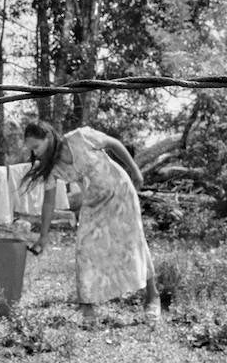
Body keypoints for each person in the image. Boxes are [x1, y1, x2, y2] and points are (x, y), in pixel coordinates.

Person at [21, 121, 160, 325]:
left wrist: (135, 169)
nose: (35, 153)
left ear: (48, 138)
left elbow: (113, 144)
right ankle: (87, 308)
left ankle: (152, 297)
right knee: (84, 248)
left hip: (120, 192)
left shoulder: (80, 137)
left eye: (36, 147)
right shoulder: (51, 168)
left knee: (133, 241)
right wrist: (43, 235)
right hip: (94, 203)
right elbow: (48, 202)